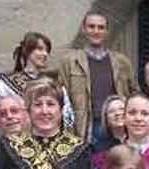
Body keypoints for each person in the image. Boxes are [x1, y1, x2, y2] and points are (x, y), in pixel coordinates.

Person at [58, 10, 139, 142]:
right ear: (84, 29)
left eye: (101, 27)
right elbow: (62, 97)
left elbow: (134, 93)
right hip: (85, 127)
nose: (96, 31)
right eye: (91, 26)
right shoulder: (70, 61)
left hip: (118, 126)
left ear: (106, 31)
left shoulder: (122, 62)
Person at [0, 32, 74, 127]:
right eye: (40, 49)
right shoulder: (6, 85)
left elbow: (68, 116)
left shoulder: (54, 85)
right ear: (27, 51)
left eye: (47, 51)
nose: (45, 54)